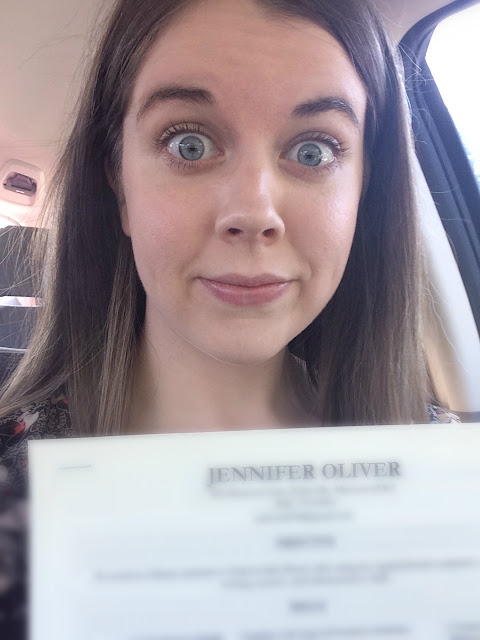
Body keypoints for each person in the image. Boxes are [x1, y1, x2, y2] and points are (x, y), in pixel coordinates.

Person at [0, 0, 460, 635]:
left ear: (364, 194)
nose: (254, 211)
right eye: (188, 143)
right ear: (120, 186)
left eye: (315, 150)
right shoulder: (12, 480)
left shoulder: (448, 483)